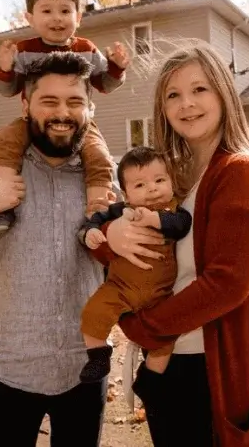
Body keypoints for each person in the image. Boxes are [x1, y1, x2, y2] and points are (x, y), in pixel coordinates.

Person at [91, 41, 249, 446]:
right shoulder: (174, 178)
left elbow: (226, 284)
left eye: (200, 89)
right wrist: (111, 234)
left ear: (224, 93)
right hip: (174, 363)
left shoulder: (240, 173)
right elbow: (123, 235)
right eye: (173, 94)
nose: (186, 104)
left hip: (208, 370)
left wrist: (140, 327)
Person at [0, 52, 118, 447]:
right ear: (25, 105)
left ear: (90, 107)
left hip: (84, 369)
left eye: (74, 102)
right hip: (8, 371)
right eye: (49, 101)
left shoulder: (105, 180)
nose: (62, 113)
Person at [0, 0, 129, 251]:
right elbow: (8, 89)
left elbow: (105, 84)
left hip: (80, 123)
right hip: (32, 119)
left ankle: (98, 213)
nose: (57, 18)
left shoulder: (86, 49)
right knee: (7, 142)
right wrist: (5, 68)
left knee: (98, 155)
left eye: (65, 10)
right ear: (30, 18)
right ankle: (0, 207)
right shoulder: (23, 52)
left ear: (78, 16)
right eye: (46, 10)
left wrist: (116, 67)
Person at [77, 145, 192, 384]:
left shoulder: (174, 210)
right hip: (120, 287)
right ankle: (98, 355)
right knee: (93, 313)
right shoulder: (121, 210)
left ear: (171, 182)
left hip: (161, 293)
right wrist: (92, 233)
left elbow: (182, 225)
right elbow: (96, 219)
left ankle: (150, 379)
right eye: (140, 185)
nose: (152, 188)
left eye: (159, 180)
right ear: (126, 195)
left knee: (165, 340)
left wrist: (156, 218)